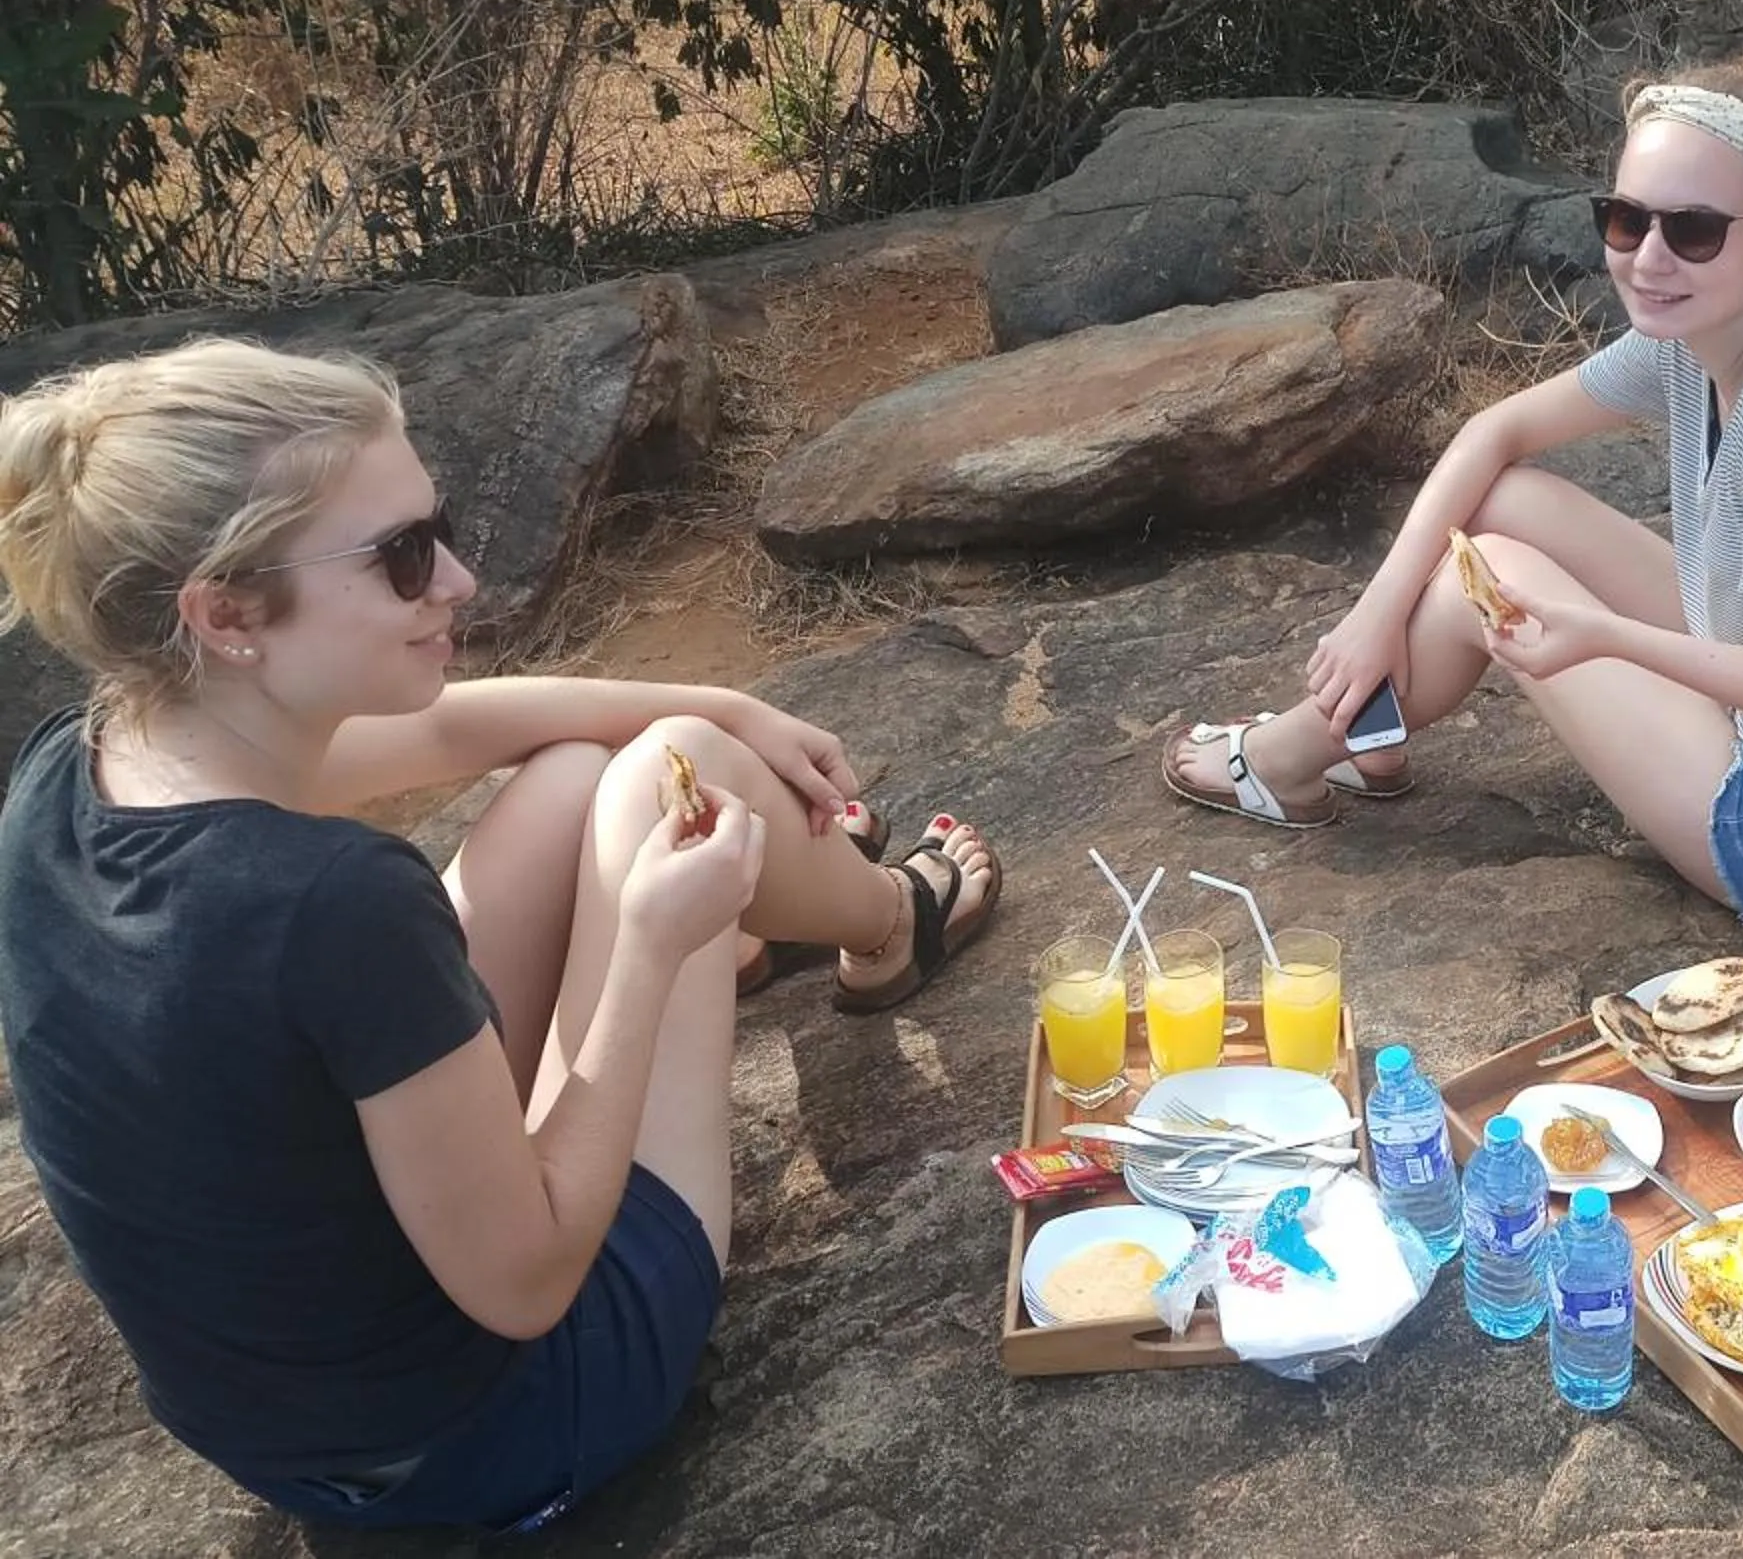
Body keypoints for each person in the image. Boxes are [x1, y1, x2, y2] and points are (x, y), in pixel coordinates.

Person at [0, 339, 998, 1531]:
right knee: (676, 781)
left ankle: (753, 922)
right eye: (403, 556)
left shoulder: (78, 764)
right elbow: (527, 1283)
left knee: (588, 769)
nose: (460, 579)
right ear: (225, 611)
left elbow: (441, 737)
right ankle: (890, 923)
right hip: (507, 1425)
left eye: (442, 528)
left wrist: (721, 699)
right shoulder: (335, 902)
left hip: (297, 1425)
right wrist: (647, 948)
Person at [1160, 57, 1743, 926]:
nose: (1650, 259)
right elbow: (1494, 433)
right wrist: (1376, 613)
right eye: (1626, 220)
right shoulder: (1700, 334)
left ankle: (1286, 758)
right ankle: (1373, 721)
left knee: (1485, 577)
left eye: (1694, 230)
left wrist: (1605, 638)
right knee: (1502, 499)